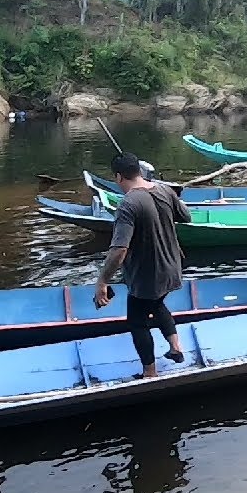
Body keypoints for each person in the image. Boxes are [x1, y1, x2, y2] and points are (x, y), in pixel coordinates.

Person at [94, 152, 192, 379]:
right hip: (173, 267)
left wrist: (103, 280)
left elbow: (119, 250)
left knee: (137, 322)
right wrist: (171, 198)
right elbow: (186, 217)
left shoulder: (128, 204)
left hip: (148, 275)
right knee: (156, 304)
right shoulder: (164, 190)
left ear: (119, 177)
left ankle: (149, 372)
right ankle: (176, 346)